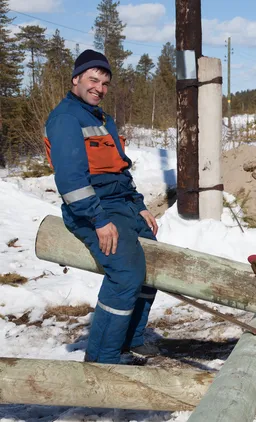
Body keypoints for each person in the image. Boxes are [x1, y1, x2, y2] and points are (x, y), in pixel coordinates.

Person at [44, 50, 160, 364]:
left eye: (105, 82)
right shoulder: (67, 118)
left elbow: (120, 169)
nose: (99, 87)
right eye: (93, 79)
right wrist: (97, 218)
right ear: (76, 80)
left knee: (156, 263)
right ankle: (102, 358)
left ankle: (132, 339)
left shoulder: (103, 119)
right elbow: (71, 179)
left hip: (122, 205)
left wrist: (140, 207)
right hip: (93, 209)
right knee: (125, 275)